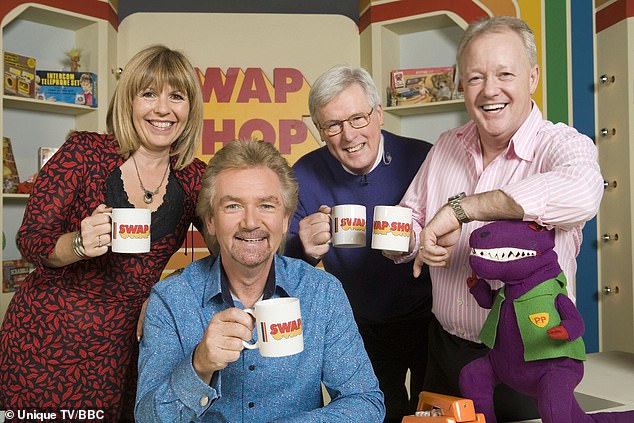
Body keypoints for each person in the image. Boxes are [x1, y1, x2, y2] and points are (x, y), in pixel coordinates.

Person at [393, 16, 604, 421]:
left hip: (529, 360)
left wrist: (464, 208)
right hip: (445, 353)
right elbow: (413, 218)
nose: (490, 90)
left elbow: (583, 193)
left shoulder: (564, 145)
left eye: (505, 73)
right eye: (475, 77)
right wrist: (412, 241)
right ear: (460, 84)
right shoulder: (445, 146)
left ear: (533, 77)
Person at [0, 45, 206, 421]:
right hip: (45, 341)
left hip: (124, 350)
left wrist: (167, 291)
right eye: (148, 94)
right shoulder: (85, 153)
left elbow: (233, 246)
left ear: (190, 108)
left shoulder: (195, 177)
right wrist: (78, 244)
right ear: (129, 100)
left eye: (176, 96)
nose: (163, 109)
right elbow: (32, 239)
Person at [135, 140, 385, 422]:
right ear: (211, 221)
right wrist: (198, 365)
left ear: (285, 220)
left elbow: (365, 403)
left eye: (266, 205)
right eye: (233, 206)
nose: (251, 222)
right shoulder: (172, 299)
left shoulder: (322, 293)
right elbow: (147, 417)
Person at [284, 65, 433, 422]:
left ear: (379, 113)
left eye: (358, 118)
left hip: (432, 317)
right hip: (360, 323)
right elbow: (280, 266)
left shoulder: (424, 157)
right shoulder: (303, 173)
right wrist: (300, 247)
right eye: (332, 125)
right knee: (379, 413)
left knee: (434, 411)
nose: (348, 135)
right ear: (320, 130)